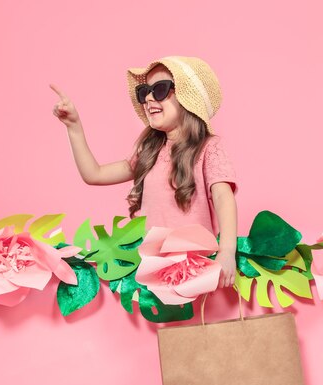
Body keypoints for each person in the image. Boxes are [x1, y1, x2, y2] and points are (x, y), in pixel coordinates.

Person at [50, 56, 238, 288]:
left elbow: (223, 197)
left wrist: (228, 251)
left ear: (189, 100)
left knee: (195, 323)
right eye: (144, 91)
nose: (148, 97)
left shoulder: (209, 148)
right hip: (154, 270)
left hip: (195, 268)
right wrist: (74, 127)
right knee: (161, 324)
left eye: (160, 89)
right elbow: (94, 174)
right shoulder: (149, 152)